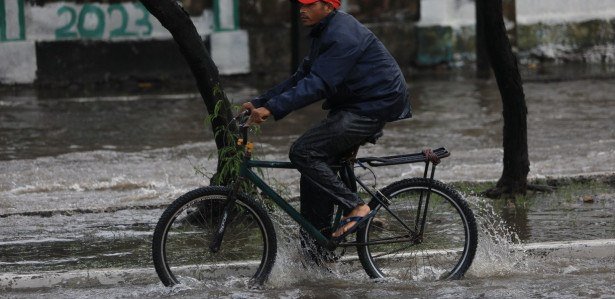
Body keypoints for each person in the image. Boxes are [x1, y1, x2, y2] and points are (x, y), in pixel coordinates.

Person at [242, 0, 411, 243]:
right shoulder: (325, 31)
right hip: (355, 103)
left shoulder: (343, 35)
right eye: (301, 5)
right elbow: (302, 77)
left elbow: (319, 84)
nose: (302, 10)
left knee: (304, 152)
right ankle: (317, 250)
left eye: (309, 5)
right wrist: (261, 101)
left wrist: (272, 109)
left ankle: (356, 207)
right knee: (314, 171)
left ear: (329, 6)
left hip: (373, 105)